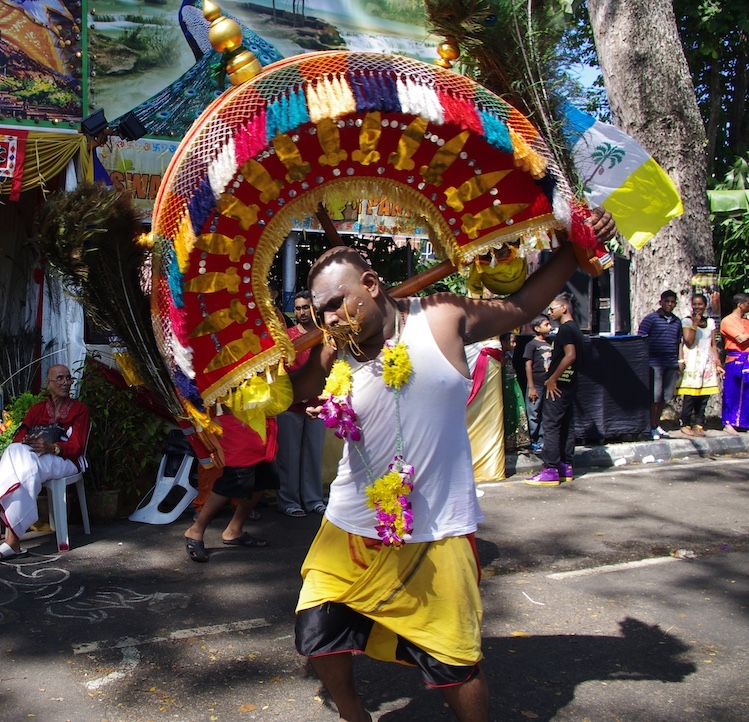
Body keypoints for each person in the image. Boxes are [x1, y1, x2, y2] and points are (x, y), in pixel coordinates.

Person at [289, 208, 615, 722]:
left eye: (337, 303)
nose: (329, 318)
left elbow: (521, 303)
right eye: (321, 311)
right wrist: (303, 366)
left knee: (453, 662)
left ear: (371, 285)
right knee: (317, 630)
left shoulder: (439, 316)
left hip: (437, 528)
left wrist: (576, 247)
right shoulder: (336, 348)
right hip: (350, 524)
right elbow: (298, 395)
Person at [0, 365, 90, 559]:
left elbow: (77, 447)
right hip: (34, 457)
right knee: (17, 454)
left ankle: (12, 540)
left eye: (68, 378)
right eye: (60, 378)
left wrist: (52, 447)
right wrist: (28, 441)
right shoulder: (37, 409)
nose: (66, 383)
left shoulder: (79, 409)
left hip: (65, 459)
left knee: (23, 462)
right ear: (48, 383)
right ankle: (12, 539)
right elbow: (20, 436)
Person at [183, 409, 277, 562]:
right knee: (237, 475)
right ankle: (195, 531)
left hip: (257, 414)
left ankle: (234, 531)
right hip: (228, 415)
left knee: (264, 474)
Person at [276, 290, 327, 517]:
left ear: (314, 309)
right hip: (291, 403)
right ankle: (289, 500)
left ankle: (313, 499)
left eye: (306, 307)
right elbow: (282, 371)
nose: (302, 312)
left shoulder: (325, 335)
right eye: (298, 308)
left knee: (313, 454)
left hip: (317, 405)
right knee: (289, 455)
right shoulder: (286, 336)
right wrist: (301, 394)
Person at [525, 293, 583, 487]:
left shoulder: (566, 329)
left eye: (553, 308)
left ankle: (550, 469)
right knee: (566, 424)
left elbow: (570, 355)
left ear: (564, 308)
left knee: (551, 425)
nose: (550, 312)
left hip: (558, 386)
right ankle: (565, 465)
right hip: (570, 383)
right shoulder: (576, 329)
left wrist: (552, 379)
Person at [675, 293, 724, 436]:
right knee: (690, 395)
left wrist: (717, 361)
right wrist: (695, 324)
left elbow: (713, 344)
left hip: (706, 360)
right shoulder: (687, 321)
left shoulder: (710, 323)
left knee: (704, 395)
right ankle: (685, 422)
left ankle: (699, 423)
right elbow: (688, 341)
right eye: (695, 304)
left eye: (700, 304)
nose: (697, 307)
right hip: (692, 360)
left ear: (705, 306)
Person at [638, 290, 683, 440]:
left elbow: (679, 343)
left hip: (670, 362)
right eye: (667, 301)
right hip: (654, 363)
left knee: (664, 396)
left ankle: (657, 424)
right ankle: (651, 426)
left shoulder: (677, 321)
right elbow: (641, 340)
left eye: (672, 302)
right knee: (654, 397)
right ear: (661, 302)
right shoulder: (651, 319)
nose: (669, 304)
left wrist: (680, 361)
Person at [523, 314, 553, 453]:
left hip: (549, 385)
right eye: (546, 324)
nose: (550, 327)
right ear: (537, 328)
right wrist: (532, 387)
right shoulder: (532, 345)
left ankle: (543, 440)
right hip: (537, 384)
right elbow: (528, 366)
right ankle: (533, 440)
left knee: (545, 413)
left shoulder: (550, 343)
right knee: (534, 413)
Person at [720, 292, 749, 434]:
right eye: (747, 303)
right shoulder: (727, 321)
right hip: (735, 359)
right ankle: (728, 422)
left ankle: (743, 422)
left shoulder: (747, 322)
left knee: (746, 392)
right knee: (732, 390)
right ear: (740, 304)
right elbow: (741, 339)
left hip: (747, 359)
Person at [499, 332, 530, 452]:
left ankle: (517, 442)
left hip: (512, 385)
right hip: (504, 388)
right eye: (512, 342)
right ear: (504, 342)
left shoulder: (508, 355)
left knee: (517, 410)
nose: (515, 345)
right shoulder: (498, 357)